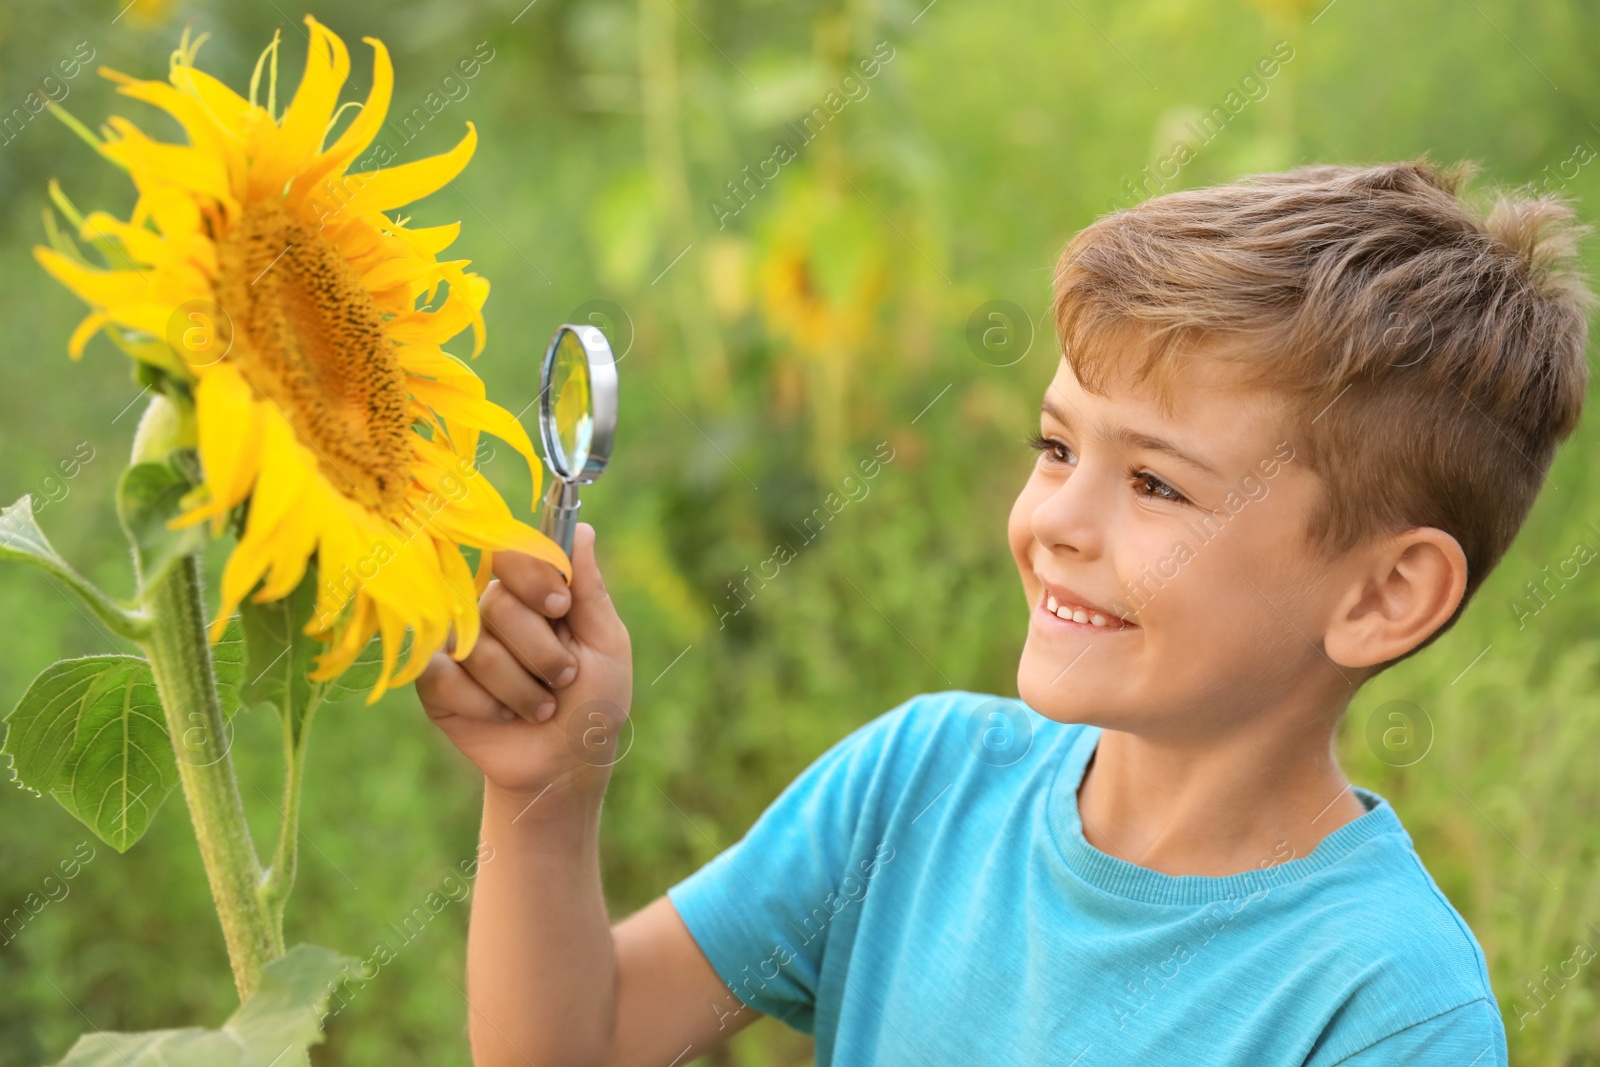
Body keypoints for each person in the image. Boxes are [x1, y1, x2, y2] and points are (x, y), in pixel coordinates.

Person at [417, 158, 1590, 1066]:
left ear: (1386, 594)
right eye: (1056, 445)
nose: (1054, 521)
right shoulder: (914, 785)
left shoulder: (1382, 998)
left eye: (1153, 483)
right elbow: (578, 1039)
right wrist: (543, 793)